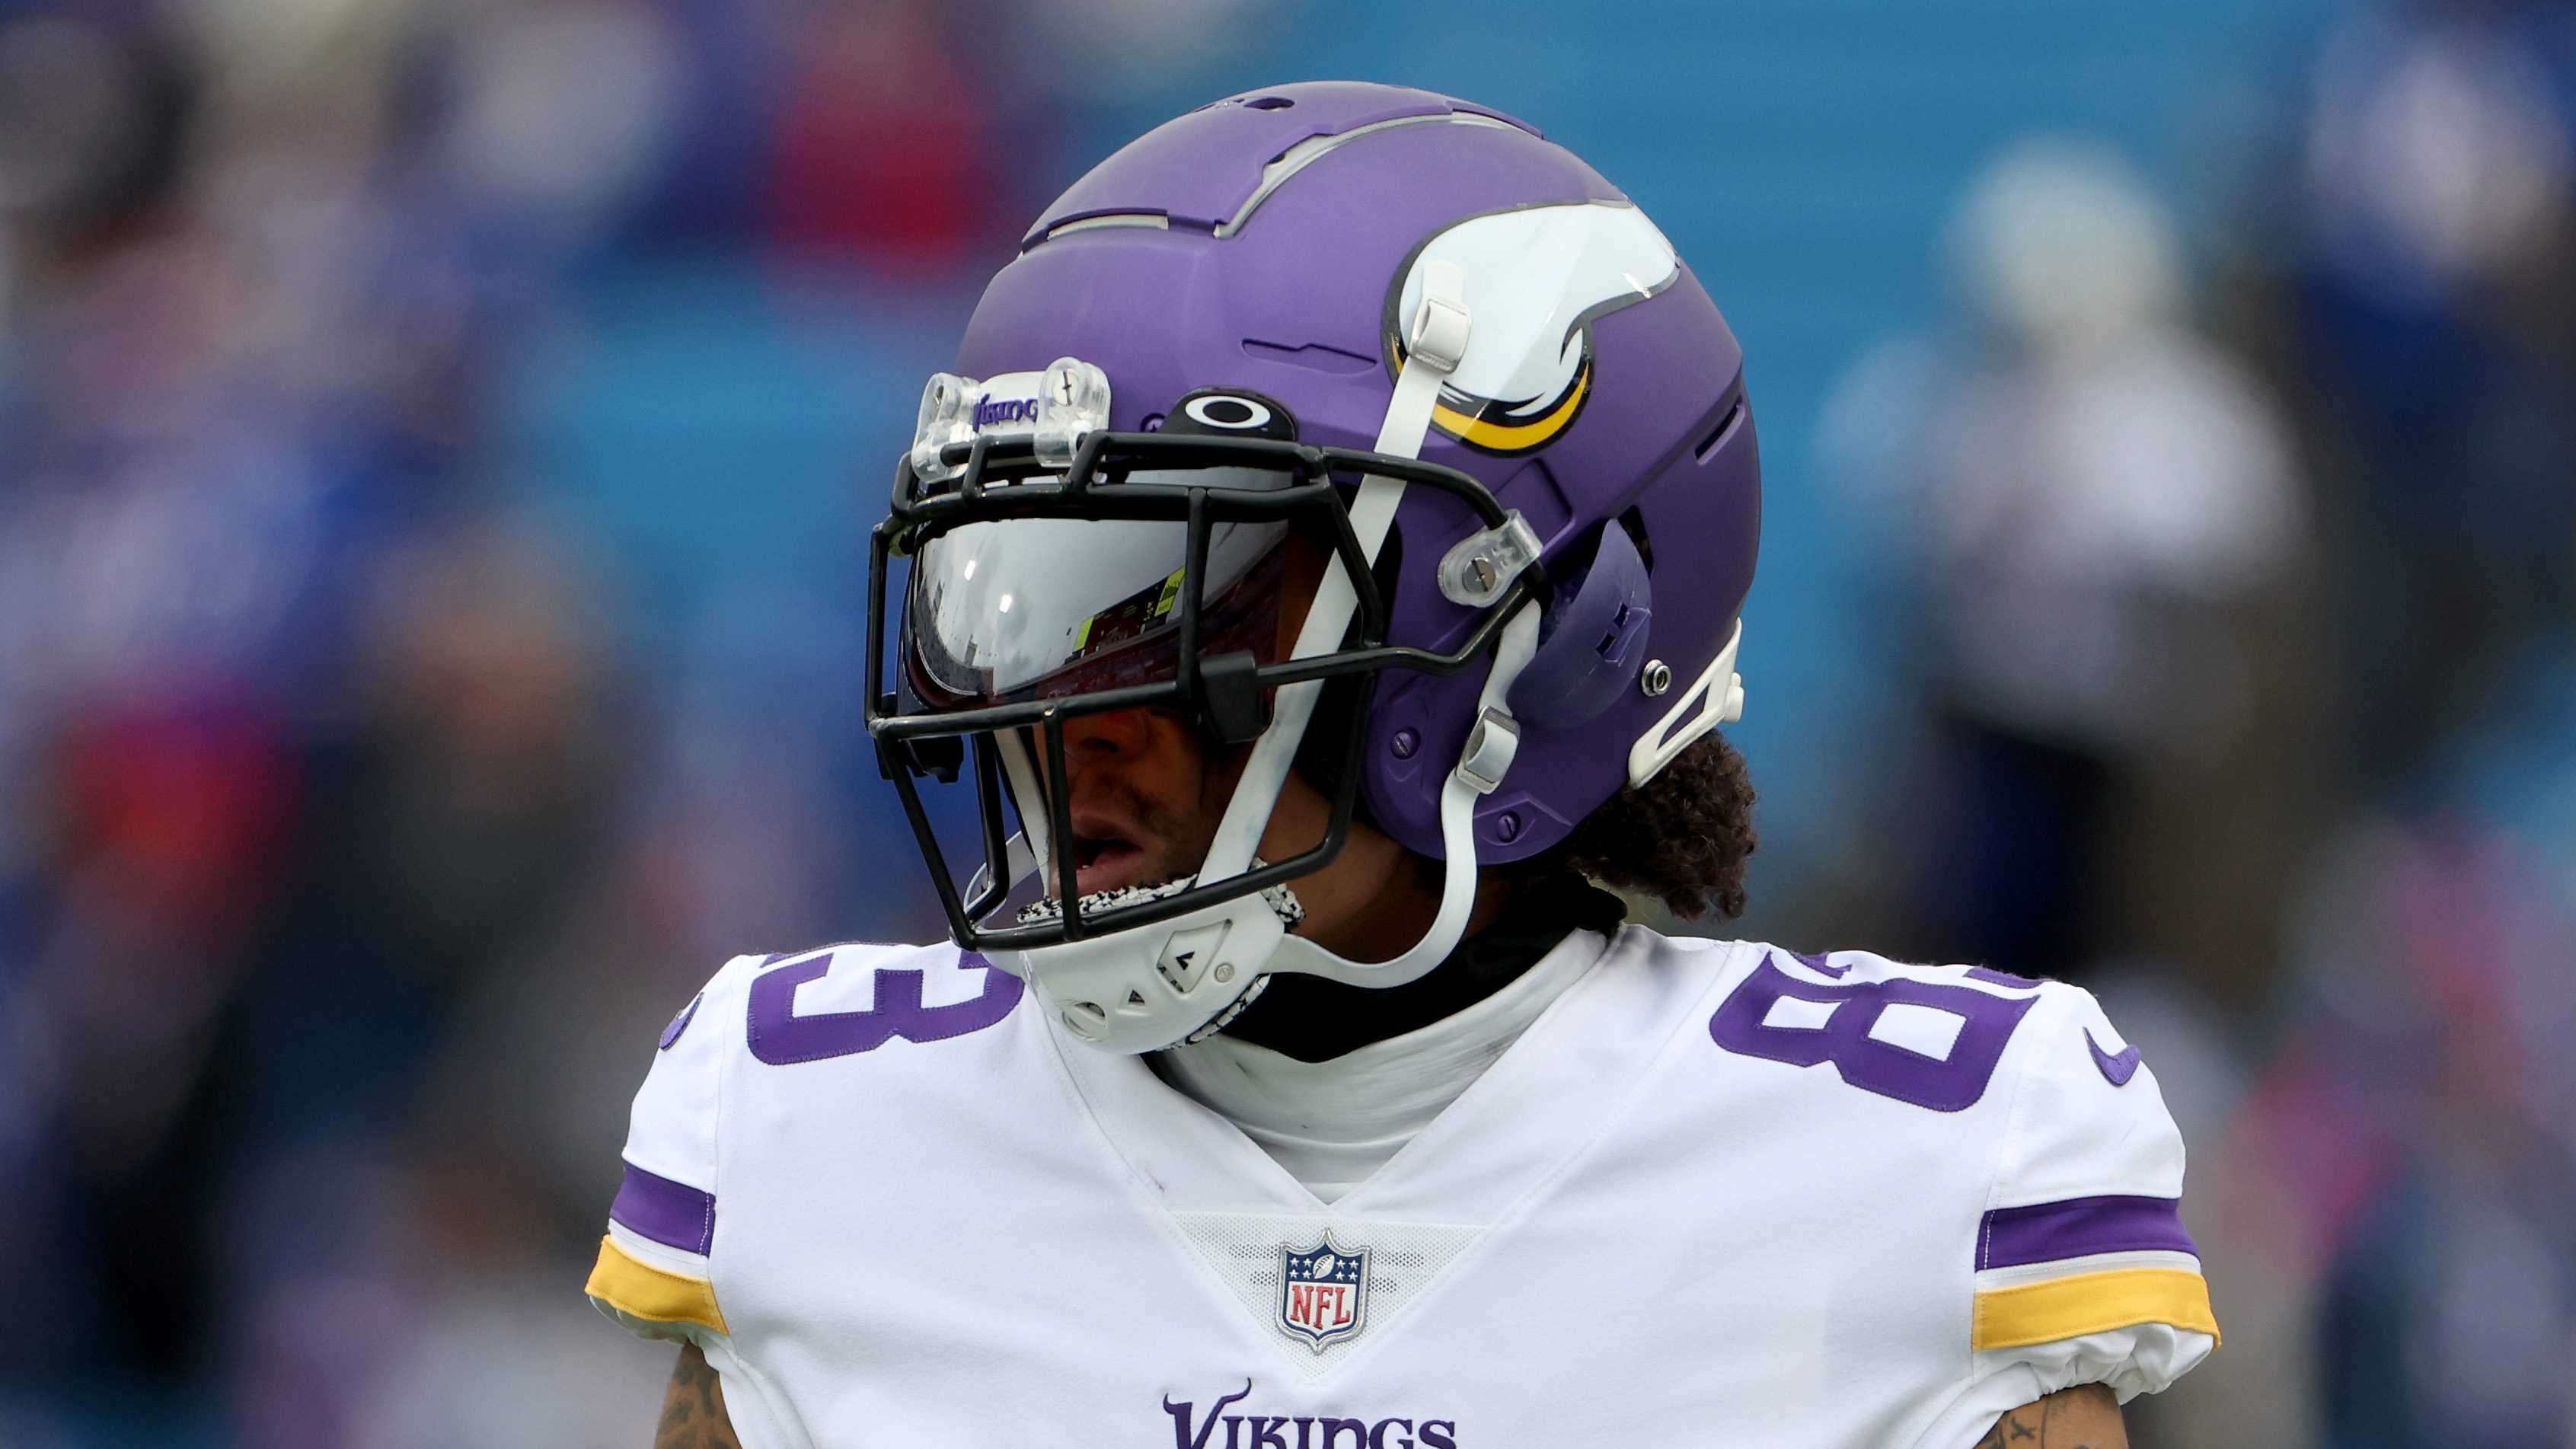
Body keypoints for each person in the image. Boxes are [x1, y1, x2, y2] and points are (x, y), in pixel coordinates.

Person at [585, 81, 2217, 1449]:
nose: (1071, 715)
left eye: (1174, 607)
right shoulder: (812, 1137)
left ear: (1553, 633)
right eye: (1027, 601)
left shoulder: (1926, 1161)